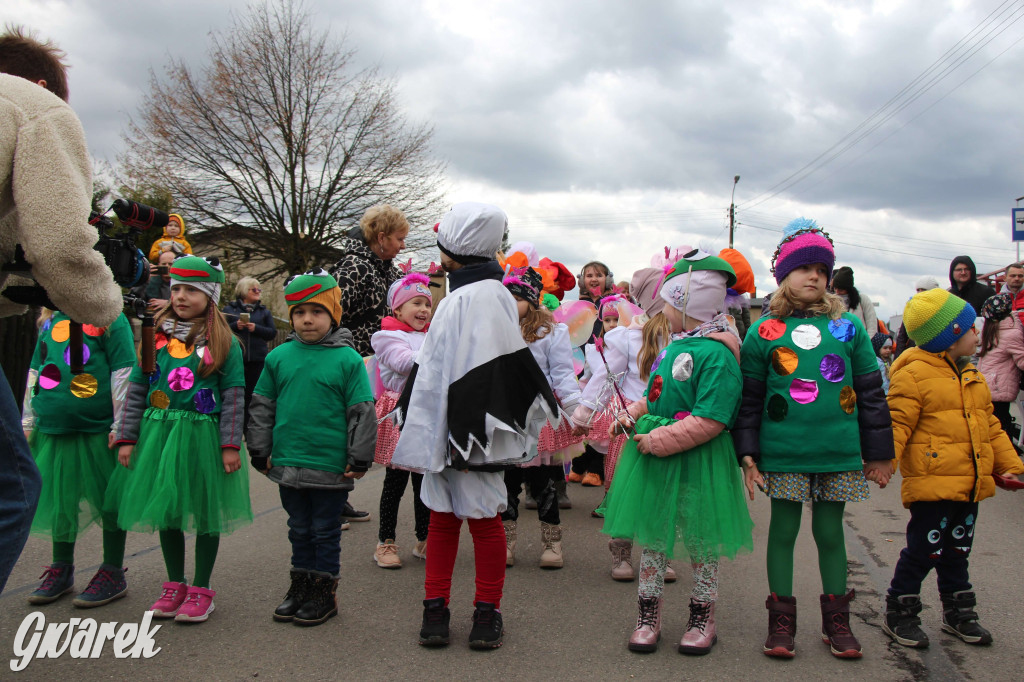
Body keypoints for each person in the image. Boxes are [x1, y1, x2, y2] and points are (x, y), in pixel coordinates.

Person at [390, 202, 557, 650]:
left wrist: (452, 435)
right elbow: (440, 367)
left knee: (469, 523)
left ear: (451, 253)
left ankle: (468, 611)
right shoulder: (486, 293)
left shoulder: (474, 296)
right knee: (458, 522)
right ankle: (453, 611)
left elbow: (479, 369)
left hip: (466, 434)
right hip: (461, 433)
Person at [733, 218, 895, 659]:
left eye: (822, 271)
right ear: (784, 276)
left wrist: (879, 454)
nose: (814, 277)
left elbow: (870, 394)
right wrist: (747, 453)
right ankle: (782, 623)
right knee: (783, 532)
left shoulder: (848, 329)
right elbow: (749, 399)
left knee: (829, 532)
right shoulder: (763, 331)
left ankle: (837, 622)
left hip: (838, 453)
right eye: (805, 269)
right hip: (783, 454)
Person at [0, 26, 123, 594]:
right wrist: (107, 298)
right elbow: (58, 243)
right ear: (44, 84)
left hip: (95, 424)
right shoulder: (35, 107)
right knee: (14, 488)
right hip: (59, 420)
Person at [600, 250, 754, 655]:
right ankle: (647, 614)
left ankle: (703, 616)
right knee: (653, 539)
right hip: (657, 460)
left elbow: (712, 418)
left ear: (690, 306)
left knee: (701, 542)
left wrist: (658, 440)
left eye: (669, 303)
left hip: (697, 461)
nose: (663, 311)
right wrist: (632, 412)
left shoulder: (718, 355)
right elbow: (657, 397)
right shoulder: (674, 345)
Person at [109, 255, 253, 623]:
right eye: (176, 289)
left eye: (192, 289)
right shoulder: (153, 338)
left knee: (206, 512)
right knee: (167, 512)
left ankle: (202, 588)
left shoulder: (224, 342)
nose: (181, 296)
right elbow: (137, 388)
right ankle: (174, 583)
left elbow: (235, 395)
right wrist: (127, 437)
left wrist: (230, 445)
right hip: (158, 434)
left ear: (211, 295)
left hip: (201, 436)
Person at [882, 288, 1023, 649]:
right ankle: (901, 609)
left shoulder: (971, 374)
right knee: (923, 551)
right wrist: (884, 462)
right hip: (932, 484)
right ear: (951, 335)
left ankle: (958, 612)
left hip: (969, 483)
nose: (978, 333)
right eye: (971, 328)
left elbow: (990, 425)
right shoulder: (912, 375)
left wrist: (1011, 465)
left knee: (958, 550)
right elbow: (897, 423)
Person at [247, 269, 376, 626]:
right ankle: (300, 585)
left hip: (330, 464)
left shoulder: (347, 359)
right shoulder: (279, 358)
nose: (307, 319)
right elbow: (262, 406)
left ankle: (324, 592)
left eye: (317, 312)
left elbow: (362, 411)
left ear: (333, 314)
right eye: (300, 312)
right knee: (298, 528)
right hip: (288, 460)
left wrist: (360, 456)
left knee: (325, 530)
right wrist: (259, 448)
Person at [21, 308, 135, 606]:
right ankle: (61, 567)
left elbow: (123, 371)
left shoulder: (109, 318)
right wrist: (28, 420)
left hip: (97, 429)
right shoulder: (50, 321)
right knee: (61, 499)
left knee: (109, 499)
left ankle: (112, 569)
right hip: (53, 428)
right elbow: (36, 369)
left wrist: (121, 425)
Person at [501, 267, 581, 570]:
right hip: (505, 418)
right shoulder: (495, 330)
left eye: (515, 296)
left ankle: (552, 542)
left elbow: (562, 373)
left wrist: (575, 410)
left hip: (538, 417)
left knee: (542, 482)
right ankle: (505, 541)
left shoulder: (551, 331)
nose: (508, 302)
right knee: (506, 482)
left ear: (531, 300)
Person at [370, 271, 434, 569]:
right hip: (400, 412)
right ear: (397, 309)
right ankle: (385, 541)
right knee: (395, 482)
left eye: (427, 304)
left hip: (426, 412)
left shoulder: (428, 336)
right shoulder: (387, 336)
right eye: (416, 303)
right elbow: (405, 363)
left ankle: (424, 538)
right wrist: (439, 349)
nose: (424, 310)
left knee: (423, 479)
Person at [329, 204, 409, 357]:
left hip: (382, 367)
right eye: (400, 239)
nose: (403, 246)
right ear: (381, 238)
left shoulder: (391, 272)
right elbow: (328, 320)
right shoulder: (353, 268)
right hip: (353, 366)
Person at [222, 277, 277, 429]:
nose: (258, 292)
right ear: (244, 291)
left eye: (259, 289)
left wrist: (256, 328)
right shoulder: (230, 310)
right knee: (235, 394)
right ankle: (235, 426)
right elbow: (221, 331)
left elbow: (272, 333)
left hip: (257, 360)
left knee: (254, 396)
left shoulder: (264, 312)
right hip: (236, 358)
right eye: (254, 289)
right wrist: (236, 326)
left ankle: (251, 428)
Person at [977, 293, 1024, 437]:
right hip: (992, 383)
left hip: (998, 386)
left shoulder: (1011, 333)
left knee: (999, 425)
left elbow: (1021, 359)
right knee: (997, 422)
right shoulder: (997, 330)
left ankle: (1004, 453)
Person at [895, 276, 940, 359]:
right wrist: (897, 358)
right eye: (918, 290)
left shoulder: (940, 309)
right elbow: (902, 336)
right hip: (912, 353)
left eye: (923, 290)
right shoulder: (911, 308)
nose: (920, 292)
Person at [831, 266, 878, 335]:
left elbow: (872, 325)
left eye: (840, 289)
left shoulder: (862, 300)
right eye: (835, 288)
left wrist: (867, 343)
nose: (837, 292)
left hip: (860, 341)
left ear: (848, 288)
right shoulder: (831, 301)